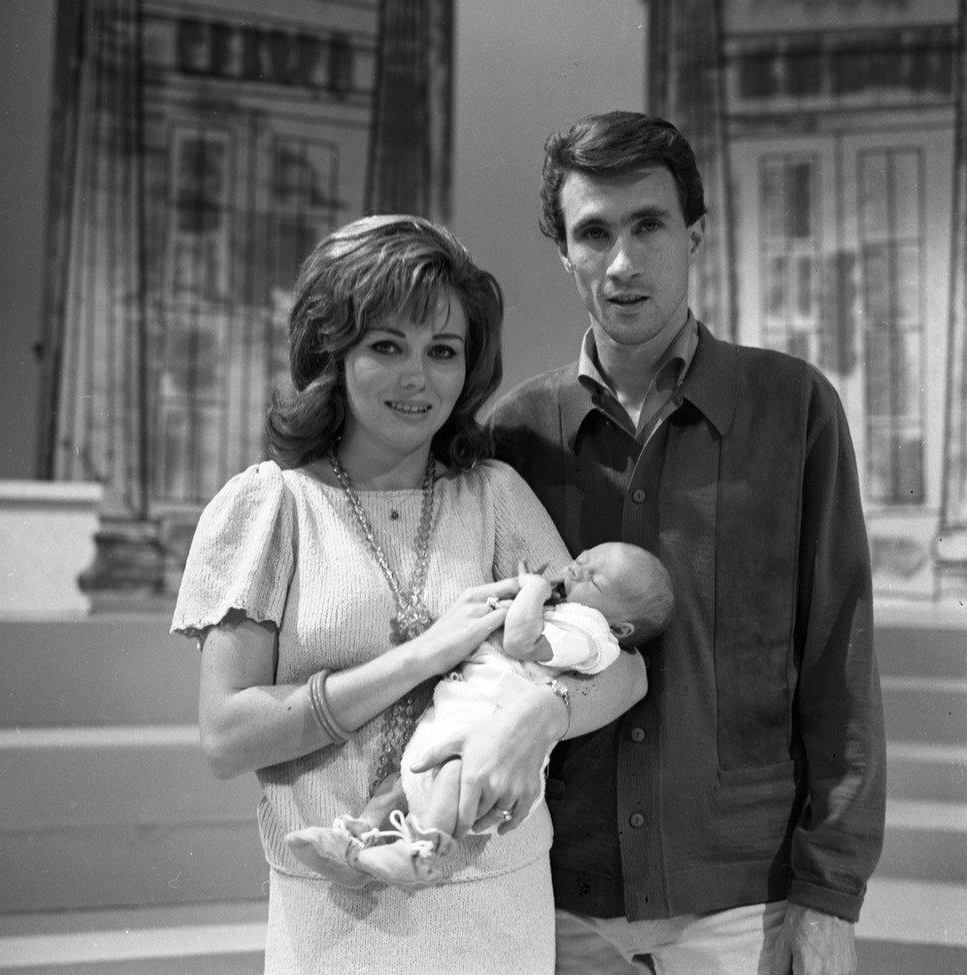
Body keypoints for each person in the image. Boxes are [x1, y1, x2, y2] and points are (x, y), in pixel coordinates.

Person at [171, 213, 649, 975]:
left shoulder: (496, 495)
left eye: (443, 351)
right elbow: (227, 735)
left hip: (497, 900)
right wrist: (421, 655)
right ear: (333, 352)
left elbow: (623, 669)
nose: (417, 377)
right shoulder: (270, 506)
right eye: (386, 345)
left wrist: (542, 712)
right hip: (335, 911)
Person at [489, 112, 886, 975]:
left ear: (695, 234)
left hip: (746, 907)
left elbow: (838, 666)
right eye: (594, 233)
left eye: (649, 225)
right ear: (566, 254)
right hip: (557, 904)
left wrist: (830, 897)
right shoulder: (513, 435)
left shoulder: (793, 408)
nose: (623, 262)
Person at [285, 540, 674, 888]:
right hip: (464, 708)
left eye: (596, 580)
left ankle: (421, 850)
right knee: (400, 782)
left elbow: (521, 641)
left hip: (491, 726)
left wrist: (534, 591)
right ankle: (358, 844)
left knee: (456, 770)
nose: (577, 569)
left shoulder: (591, 634)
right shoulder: (569, 610)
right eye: (584, 557)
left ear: (621, 628)